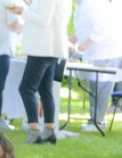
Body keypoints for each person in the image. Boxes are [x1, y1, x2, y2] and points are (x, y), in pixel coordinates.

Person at [17, 0, 71, 144]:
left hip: (42, 48)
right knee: (45, 91)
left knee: (26, 88)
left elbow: (43, 20)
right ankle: (49, 131)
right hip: (51, 48)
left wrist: (22, 11)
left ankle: (34, 131)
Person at [71, 0, 122, 132]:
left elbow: (100, 26)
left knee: (102, 85)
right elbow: (83, 27)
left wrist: (84, 45)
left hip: (107, 49)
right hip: (96, 51)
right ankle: (93, 119)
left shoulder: (94, 3)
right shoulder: (80, 6)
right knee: (94, 86)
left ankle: (98, 122)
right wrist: (74, 39)